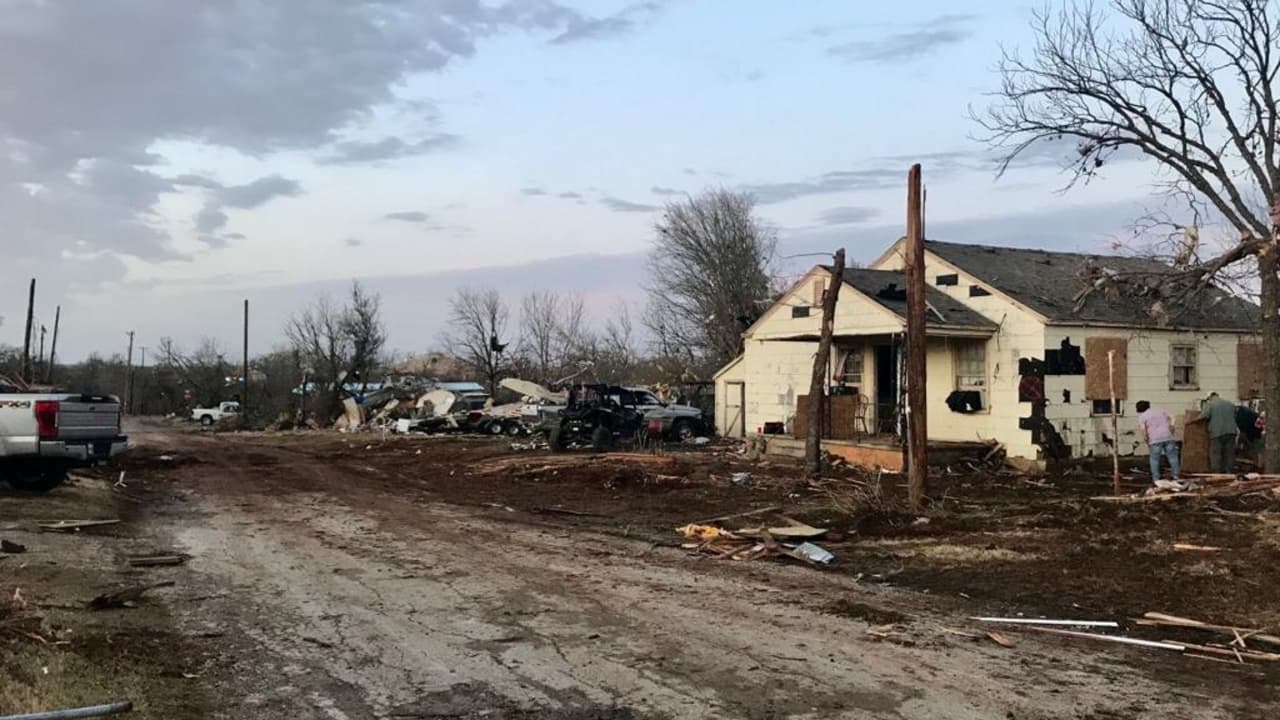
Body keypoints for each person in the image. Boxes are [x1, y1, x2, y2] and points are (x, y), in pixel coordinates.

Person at [1136, 400, 1179, 483]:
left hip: (1154, 439)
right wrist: (1172, 426)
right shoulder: (1160, 410)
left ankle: (1156, 478)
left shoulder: (1142, 416)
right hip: (1168, 436)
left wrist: (1146, 439)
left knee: (1154, 459)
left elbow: (1143, 430)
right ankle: (1176, 475)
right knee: (1173, 457)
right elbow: (1173, 417)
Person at [1199, 392, 1238, 472]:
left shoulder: (1210, 404)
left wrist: (1191, 421)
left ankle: (1216, 472)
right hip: (1231, 431)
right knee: (1229, 453)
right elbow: (1235, 415)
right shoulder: (1230, 404)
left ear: (1209, 397)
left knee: (1216, 453)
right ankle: (1229, 471)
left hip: (1217, 432)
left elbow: (1203, 416)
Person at [1236, 404, 1264, 468]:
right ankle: (1258, 464)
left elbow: (1257, 426)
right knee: (1258, 450)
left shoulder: (1241, 416)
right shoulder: (1252, 414)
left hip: (1254, 435)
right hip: (1255, 434)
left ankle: (1258, 465)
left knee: (1257, 450)